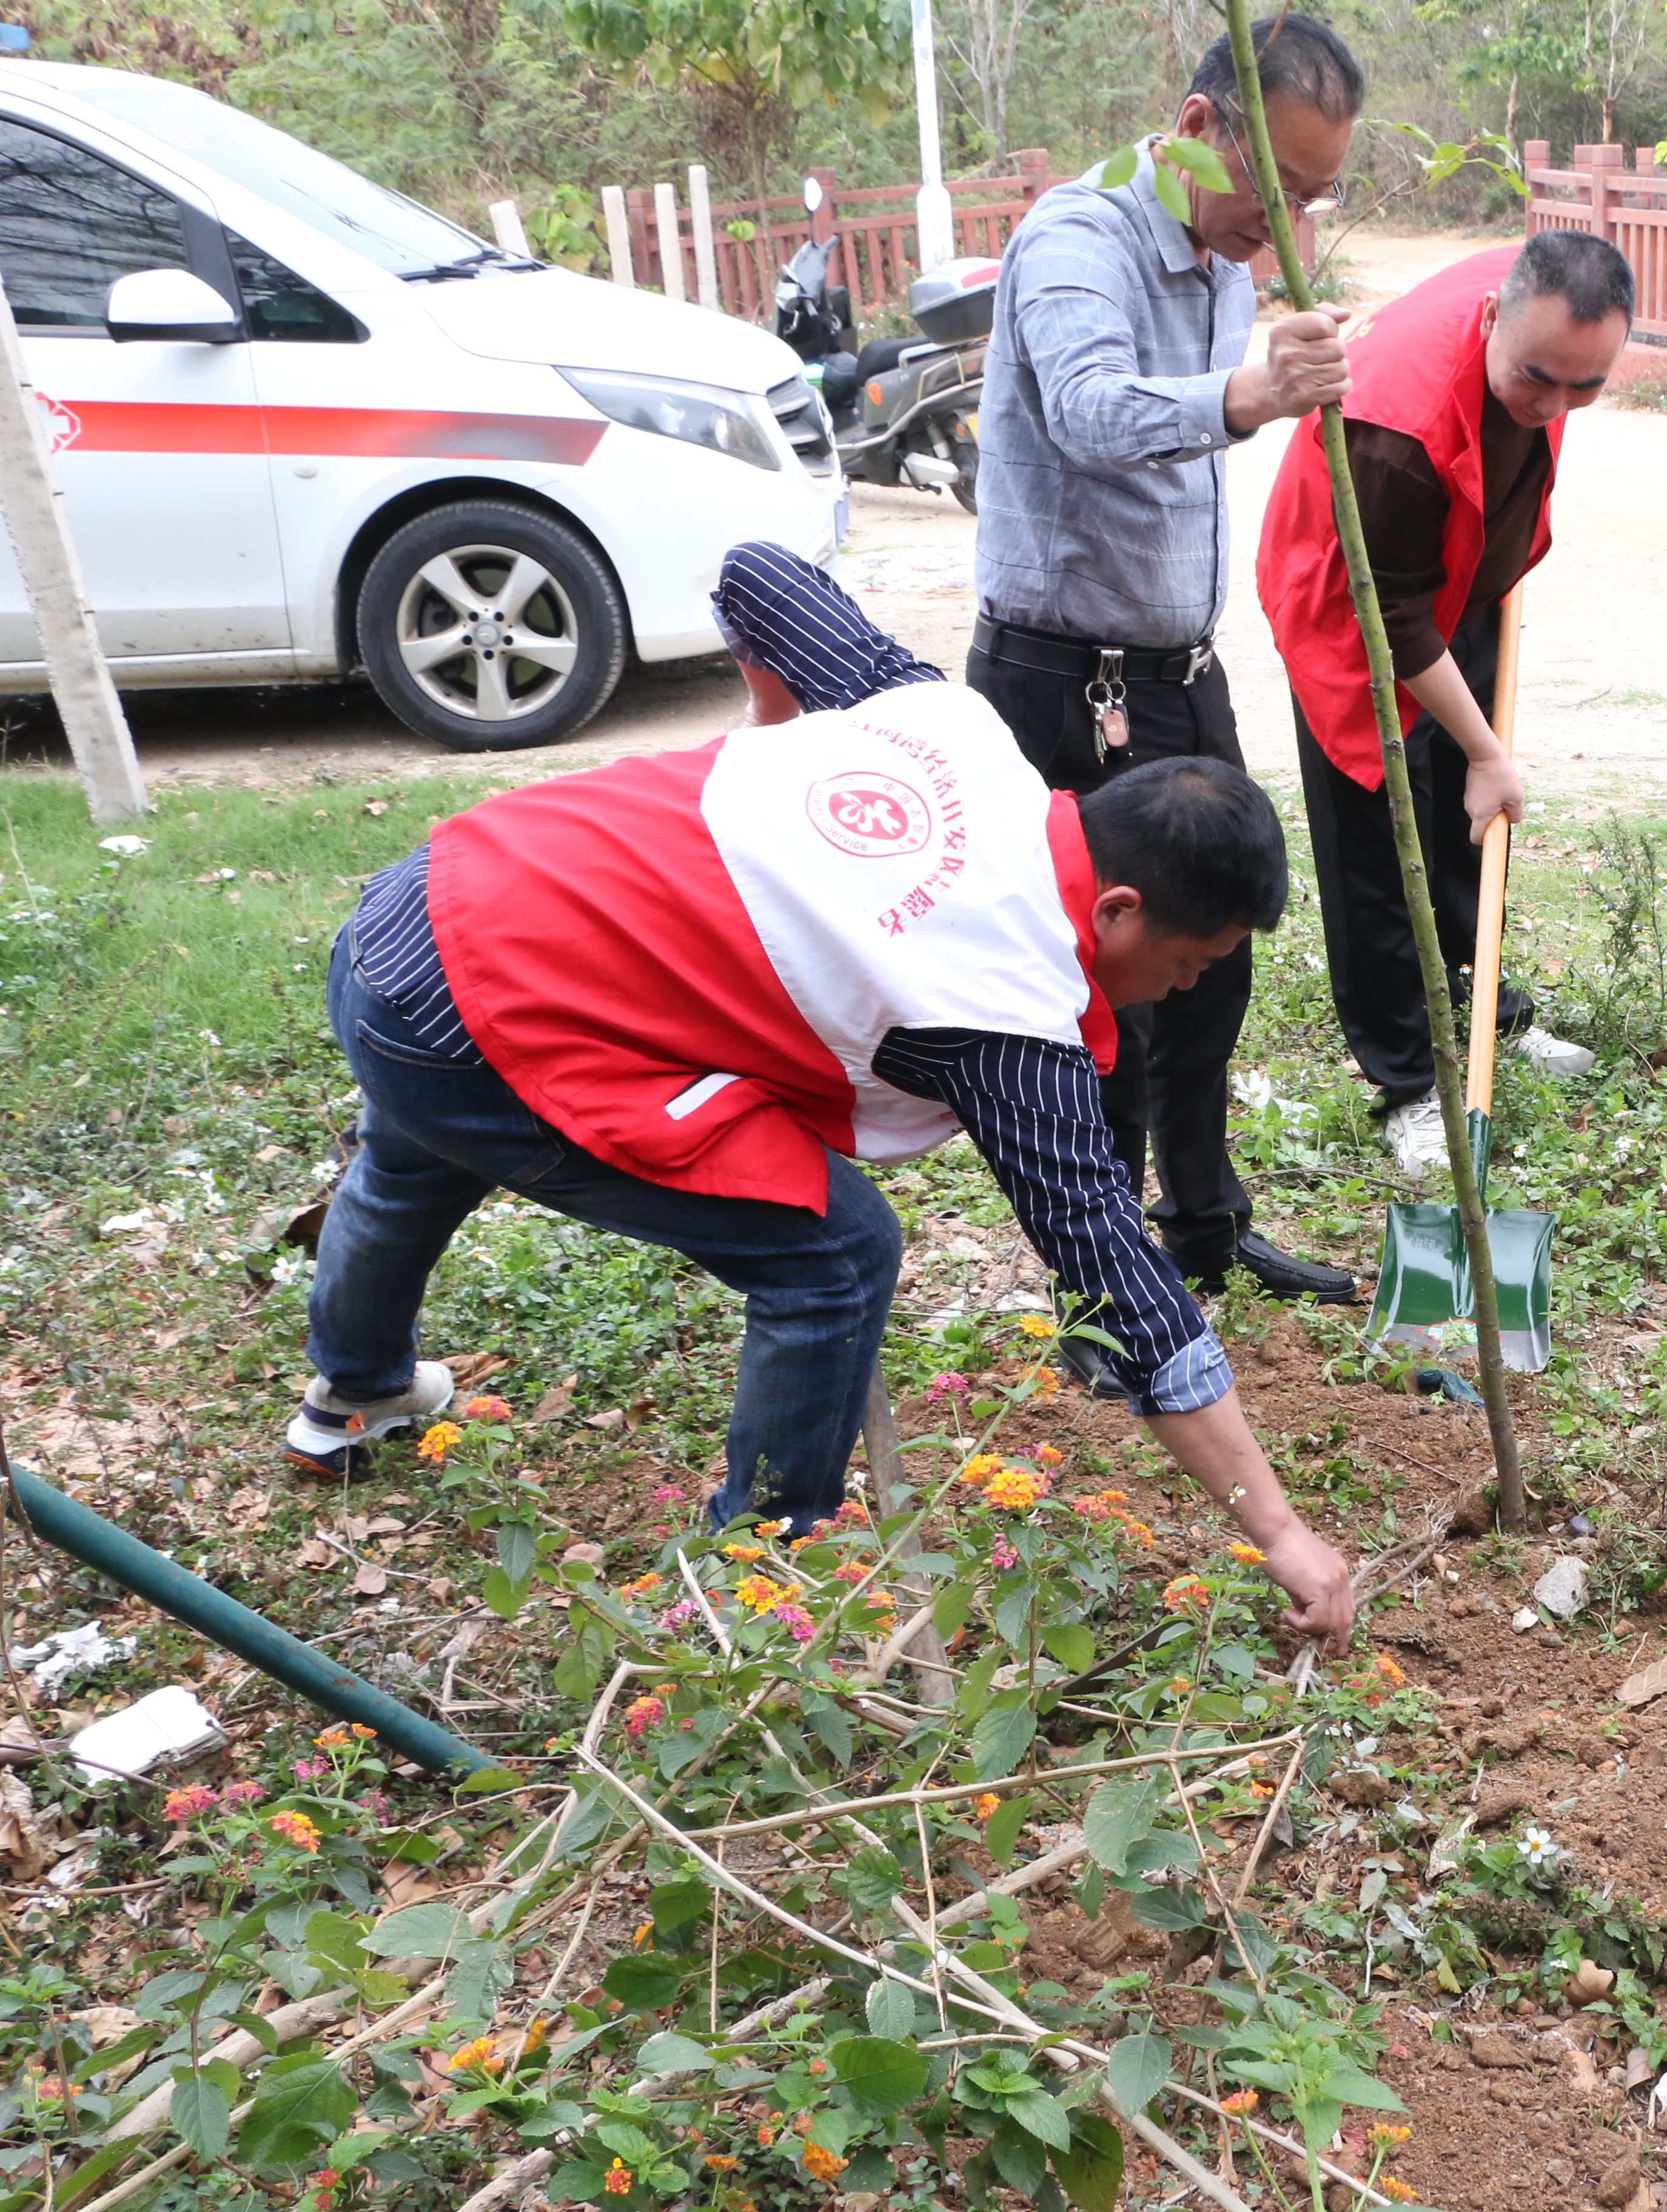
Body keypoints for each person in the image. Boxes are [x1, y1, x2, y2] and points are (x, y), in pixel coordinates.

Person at [284, 545, 1358, 1644]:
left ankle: (354, 1391)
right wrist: (1277, 1530)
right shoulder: (1002, 1002)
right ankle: (758, 1577)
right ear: (1121, 909)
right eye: (1190, 963)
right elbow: (1112, 1268)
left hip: (411, 920)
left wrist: (779, 762)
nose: (1180, 990)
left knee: (413, 1152)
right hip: (477, 1024)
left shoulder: (957, 729)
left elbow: (757, 576)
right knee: (836, 1253)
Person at [964, 13, 1364, 1304]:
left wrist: (1260, 379)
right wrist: (1247, 395)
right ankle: (1097, 1275)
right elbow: (1088, 413)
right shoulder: (1076, 240)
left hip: (1179, 676)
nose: (1289, 225)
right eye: (1280, 189)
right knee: (1093, 998)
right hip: (1058, 684)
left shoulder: (1230, 262)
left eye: (1315, 198)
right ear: (1199, 129)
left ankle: (1200, 1224)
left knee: (1217, 956)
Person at [1255, 231, 1634, 1175]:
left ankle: (1492, 1017)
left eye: (1584, 389)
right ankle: (1409, 1083)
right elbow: (1391, 620)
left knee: (1465, 819)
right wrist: (1487, 752)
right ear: (1493, 317)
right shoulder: (1396, 427)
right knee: (1381, 841)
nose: (1555, 407)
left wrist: (1476, 754)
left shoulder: (1547, 301)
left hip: (1455, 572)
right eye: (1538, 381)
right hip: (1357, 604)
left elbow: (1534, 402)